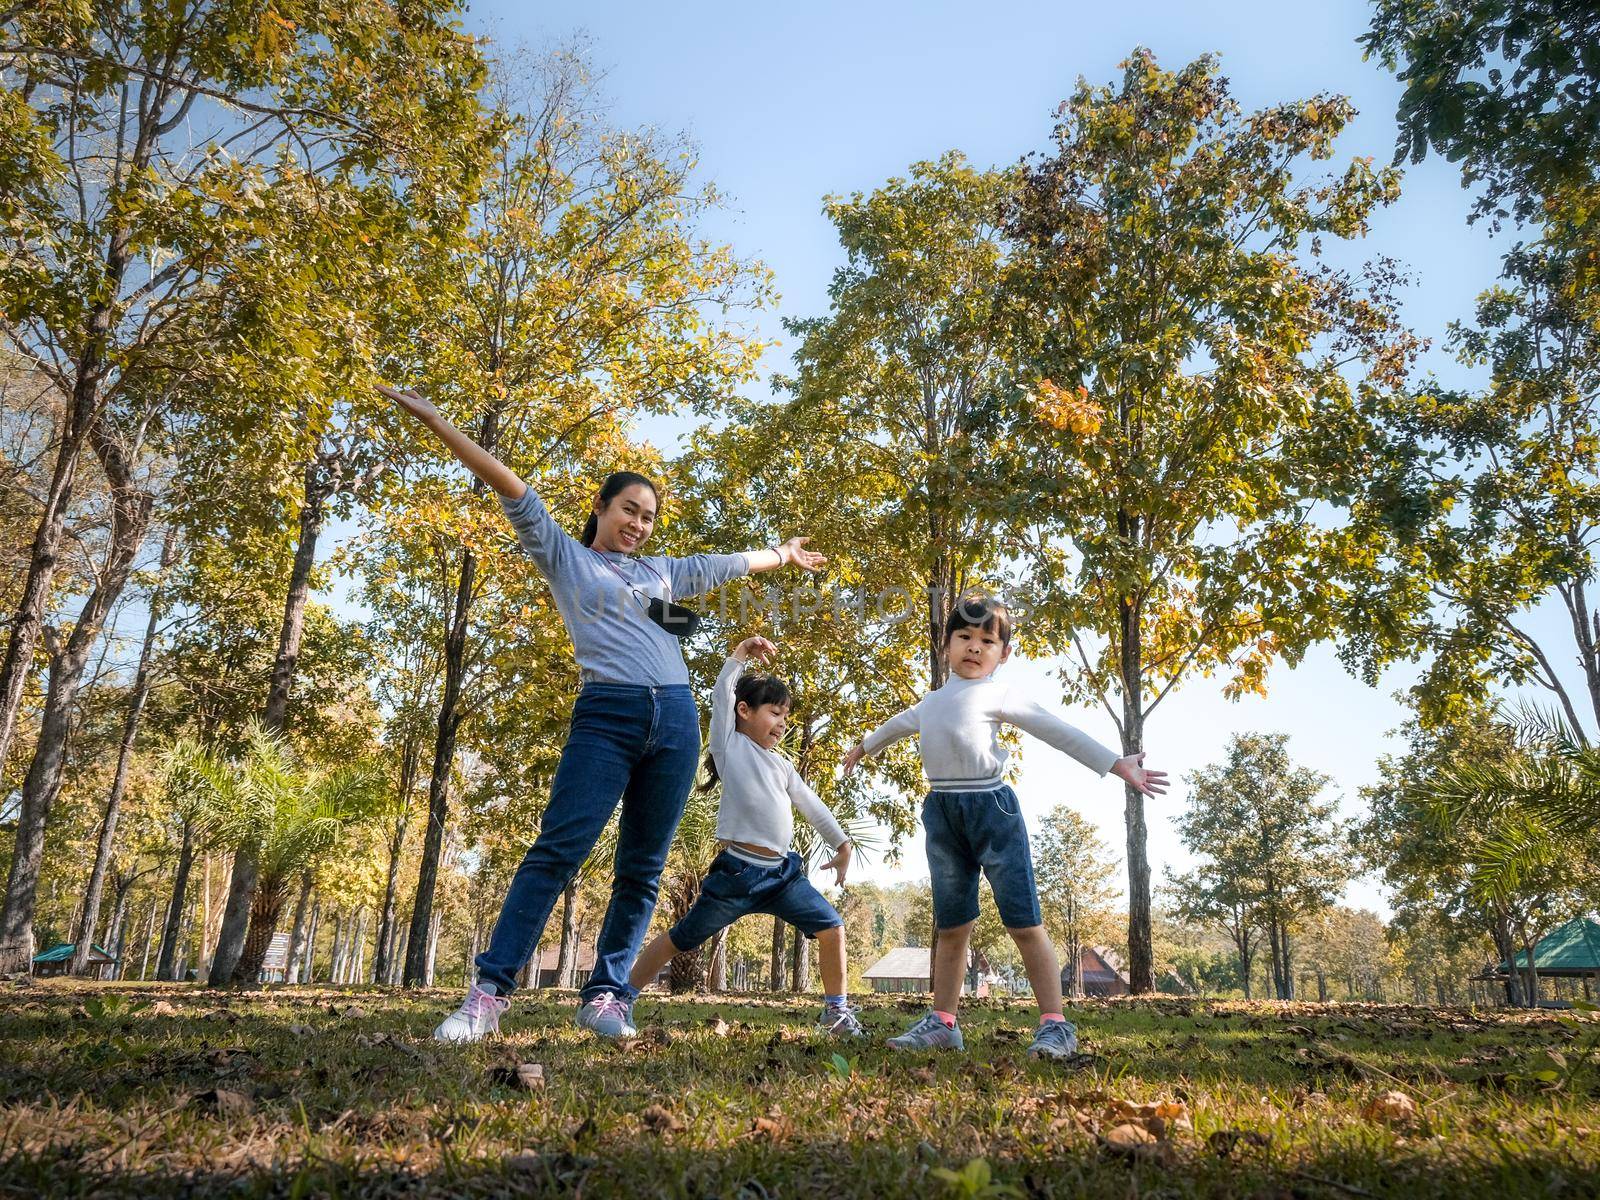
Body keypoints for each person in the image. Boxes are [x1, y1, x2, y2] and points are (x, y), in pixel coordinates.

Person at [375, 384, 826, 1042]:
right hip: (607, 715)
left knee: (642, 868)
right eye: (629, 510)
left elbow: (722, 566)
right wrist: (439, 421)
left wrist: (780, 555)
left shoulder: (659, 577)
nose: (639, 524)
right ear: (601, 507)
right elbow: (514, 490)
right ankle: (488, 995)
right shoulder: (569, 559)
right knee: (556, 852)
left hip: (675, 724)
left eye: (648, 516)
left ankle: (607, 996)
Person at [843, 594, 1167, 1060]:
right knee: (952, 925)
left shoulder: (999, 695)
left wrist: (1114, 763)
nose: (974, 647)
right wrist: (864, 747)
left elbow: (1056, 730)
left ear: (1003, 654)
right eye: (964, 637)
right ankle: (943, 1022)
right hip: (943, 814)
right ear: (946, 645)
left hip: (993, 812)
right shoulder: (931, 702)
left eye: (987, 641)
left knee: (1023, 921)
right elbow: (897, 725)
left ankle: (1055, 1025)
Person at [627, 635, 862, 1037]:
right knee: (680, 939)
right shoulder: (729, 745)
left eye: (786, 717)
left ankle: (836, 1012)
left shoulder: (783, 766)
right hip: (737, 876)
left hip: (783, 875)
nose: (782, 724)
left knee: (832, 927)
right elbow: (720, 698)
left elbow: (811, 805)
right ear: (744, 711)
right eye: (774, 713)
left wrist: (842, 845)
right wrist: (738, 657)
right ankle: (622, 996)